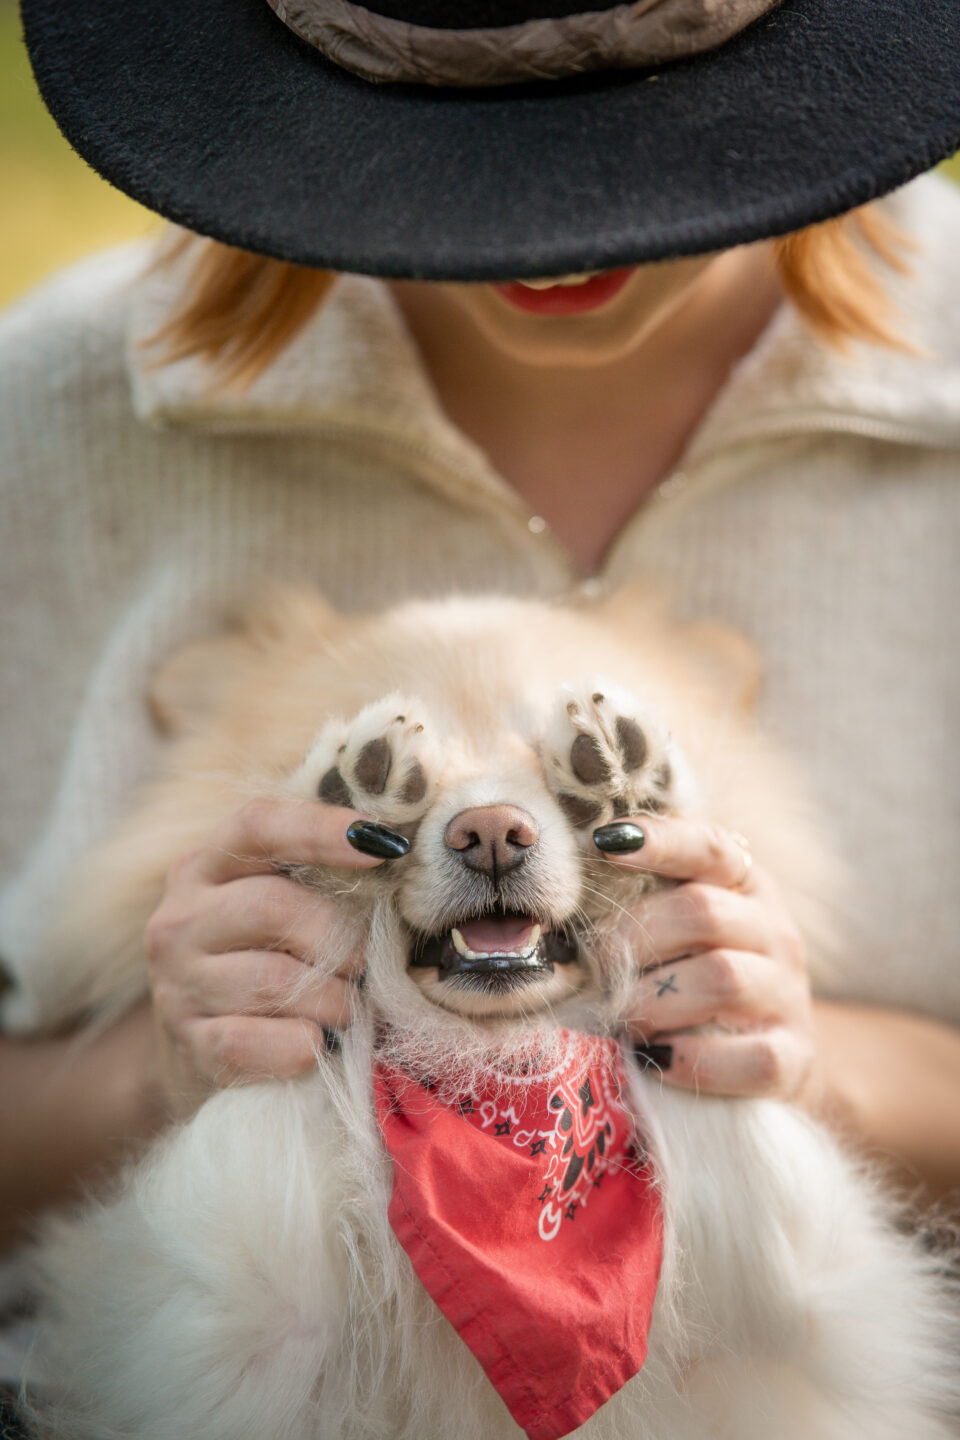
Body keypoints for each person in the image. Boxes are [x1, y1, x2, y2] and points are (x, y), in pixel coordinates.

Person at [2, 0, 960, 1413]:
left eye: (630, 123)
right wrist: (162, 1073)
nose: (556, 229)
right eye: (470, 145)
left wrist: (818, 1069)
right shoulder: (56, 418)